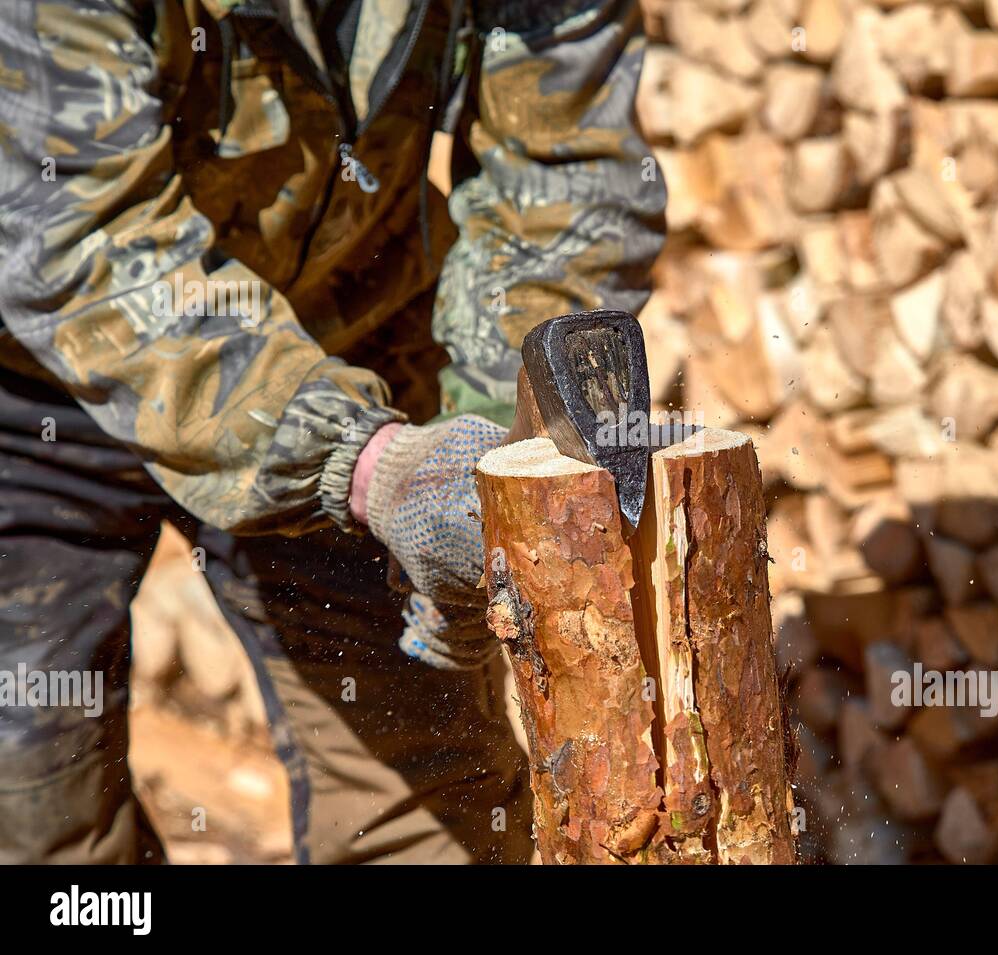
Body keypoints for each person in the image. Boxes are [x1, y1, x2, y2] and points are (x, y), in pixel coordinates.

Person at [0, 0, 666, 863]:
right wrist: (367, 466)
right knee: (43, 832)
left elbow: (566, 176)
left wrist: (491, 452)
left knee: (429, 822)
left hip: (357, 356)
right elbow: (85, 251)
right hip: (35, 400)